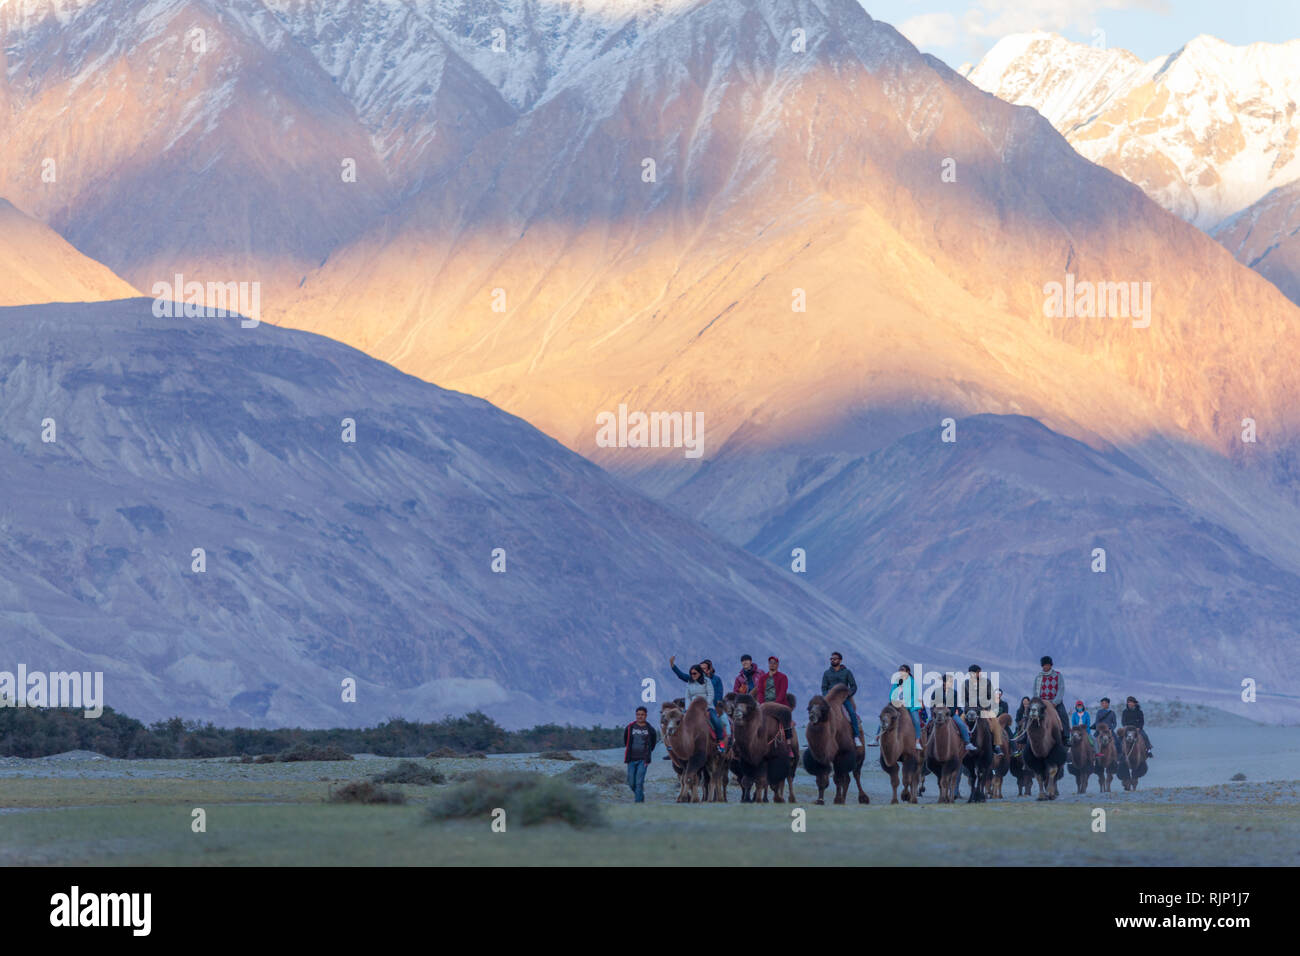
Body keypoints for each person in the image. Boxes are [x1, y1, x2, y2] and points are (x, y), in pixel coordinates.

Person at [752, 656, 796, 756]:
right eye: (770, 662)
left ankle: (789, 745)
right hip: (764, 705)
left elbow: (782, 692)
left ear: (777, 664)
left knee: (786, 718)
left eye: (774, 663)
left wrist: (775, 704)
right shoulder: (763, 678)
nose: (772, 664)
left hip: (779, 704)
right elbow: (760, 692)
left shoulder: (783, 677)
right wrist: (763, 703)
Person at [821, 651, 862, 745]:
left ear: (840, 660)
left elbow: (853, 686)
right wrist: (826, 695)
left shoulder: (847, 672)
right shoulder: (826, 673)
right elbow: (824, 687)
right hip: (830, 699)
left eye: (835, 658)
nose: (832, 660)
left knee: (851, 712)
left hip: (843, 698)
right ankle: (819, 736)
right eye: (831, 659)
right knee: (819, 713)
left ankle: (856, 736)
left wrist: (848, 694)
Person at [930, 673, 976, 752]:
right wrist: (934, 712)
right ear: (944, 682)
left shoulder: (954, 692)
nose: (951, 683)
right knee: (927, 725)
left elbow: (955, 706)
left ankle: (967, 743)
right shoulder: (936, 692)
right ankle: (925, 743)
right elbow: (932, 705)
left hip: (950, 714)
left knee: (962, 725)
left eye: (952, 682)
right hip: (938, 714)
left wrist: (949, 713)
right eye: (949, 681)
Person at [963, 664, 1003, 755]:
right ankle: (962, 743)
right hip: (970, 710)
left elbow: (991, 698)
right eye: (977, 672)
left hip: (983, 710)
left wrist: (986, 707)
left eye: (979, 672)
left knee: (995, 721)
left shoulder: (987, 682)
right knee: (960, 721)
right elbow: (964, 699)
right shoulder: (966, 683)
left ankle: (997, 745)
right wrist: (968, 709)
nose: (979, 674)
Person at [1033, 655, 1070, 749]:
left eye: (1047, 665)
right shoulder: (1038, 677)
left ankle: (1066, 737)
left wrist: (1055, 702)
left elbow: (1061, 689)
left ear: (1051, 665)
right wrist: (1038, 702)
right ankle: (1026, 735)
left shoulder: (1057, 675)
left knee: (1063, 715)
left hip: (1055, 702)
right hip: (1042, 702)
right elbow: (1035, 691)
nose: (1045, 667)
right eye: (1044, 665)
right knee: (1030, 714)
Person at [624, 706, 658, 802]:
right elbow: (626, 741)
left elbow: (653, 743)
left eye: (642, 715)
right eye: (638, 714)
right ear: (636, 715)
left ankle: (638, 804)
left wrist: (647, 755)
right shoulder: (630, 727)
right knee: (631, 782)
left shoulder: (650, 729)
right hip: (631, 759)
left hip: (643, 760)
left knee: (639, 783)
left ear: (646, 715)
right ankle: (640, 796)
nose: (640, 716)